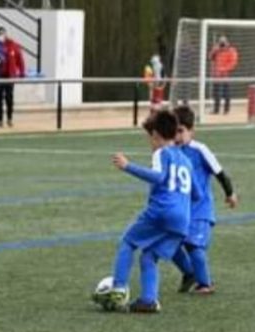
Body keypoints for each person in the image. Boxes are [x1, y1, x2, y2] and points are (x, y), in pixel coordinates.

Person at [99, 110, 196, 314]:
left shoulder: (162, 153)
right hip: (182, 219)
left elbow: (159, 177)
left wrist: (128, 166)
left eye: (149, 138)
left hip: (162, 211)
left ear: (155, 135)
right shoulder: (185, 160)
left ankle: (118, 288)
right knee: (149, 256)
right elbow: (194, 192)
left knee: (128, 241)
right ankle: (148, 300)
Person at [170, 105, 238, 295]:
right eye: (174, 131)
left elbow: (220, 172)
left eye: (181, 131)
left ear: (192, 131)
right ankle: (189, 273)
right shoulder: (170, 152)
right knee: (168, 243)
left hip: (200, 209)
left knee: (194, 245)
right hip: (179, 209)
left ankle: (205, 284)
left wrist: (230, 194)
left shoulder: (200, 150)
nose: (177, 136)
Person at [0, 26, 26, 127]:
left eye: (2, 33)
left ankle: (9, 118)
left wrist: (22, 72)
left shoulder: (13, 45)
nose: (1, 36)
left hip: (9, 76)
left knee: (9, 98)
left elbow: (19, 59)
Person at [209, 35, 239, 114]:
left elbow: (233, 63)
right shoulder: (217, 50)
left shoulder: (231, 50)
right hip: (217, 75)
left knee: (226, 93)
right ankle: (216, 109)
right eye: (220, 42)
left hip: (226, 75)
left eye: (223, 43)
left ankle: (226, 109)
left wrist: (223, 69)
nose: (222, 45)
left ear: (227, 43)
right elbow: (210, 58)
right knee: (216, 93)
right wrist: (214, 50)